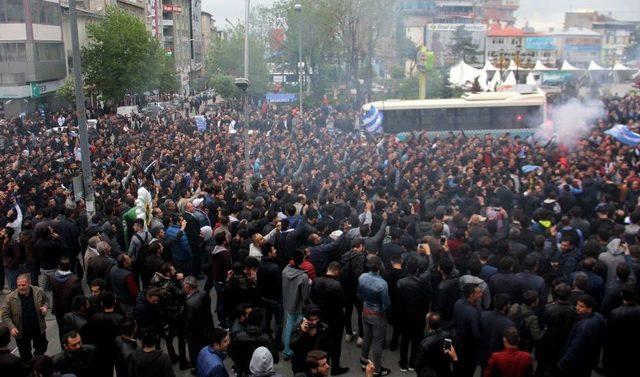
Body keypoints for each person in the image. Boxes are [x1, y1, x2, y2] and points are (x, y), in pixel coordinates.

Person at [310, 261, 349, 375]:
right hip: (336, 319)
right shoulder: (336, 285)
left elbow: (312, 296)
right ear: (336, 271)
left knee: (323, 343)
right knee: (336, 344)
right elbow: (344, 302)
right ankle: (335, 367)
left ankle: (323, 366)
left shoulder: (316, 280)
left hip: (321, 317)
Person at [1, 273, 49, 361]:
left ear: (29, 283)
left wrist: (45, 307)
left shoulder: (38, 291)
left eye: (23, 285)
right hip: (21, 331)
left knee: (42, 348)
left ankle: (37, 363)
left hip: (38, 328)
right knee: (25, 354)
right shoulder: (10, 298)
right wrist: (12, 327)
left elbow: (46, 301)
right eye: (18, 285)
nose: (20, 287)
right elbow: (5, 315)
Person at [397, 255, 432, 372]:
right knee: (417, 341)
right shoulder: (423, 282)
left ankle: (403, 363)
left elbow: (398, 301)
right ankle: (412, 363)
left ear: (407, 268)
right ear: (417, 269)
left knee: (405, 340)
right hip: (419, 316)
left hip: (405, 315)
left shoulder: (401, 282)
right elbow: (428, 298)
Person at [358, 254, 391, 376]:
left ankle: (363, 362)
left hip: (365, 311)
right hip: (378, 316)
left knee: (367, 338)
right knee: (377, 343)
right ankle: (377, 369)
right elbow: (386, 304)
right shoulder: (382, 284)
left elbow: (359, 295)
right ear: (380, 266)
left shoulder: (362, 277)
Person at [557, 294, 605, 377]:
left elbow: (574, 347)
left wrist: (562, 363)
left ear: (589, 309)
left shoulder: (583, 326)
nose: (576, 307)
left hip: (579, 362)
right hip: (590, 358)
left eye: (581, 306)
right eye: (577, 304)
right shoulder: (599, 317)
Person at [230, 308, 279, 377]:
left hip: (243, 370)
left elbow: (232, 354)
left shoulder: (239, 337)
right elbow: (276, 359)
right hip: (261, 372)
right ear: (261, 321)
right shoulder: (267, 339)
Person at [86, 291, 123, 377]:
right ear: (114, 302)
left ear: (102, 303)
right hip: (116, 349)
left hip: (101, 350)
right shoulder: (119, 318)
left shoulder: (95, 317)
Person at [282, 249, 311, 360]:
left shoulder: (285, 271)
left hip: (288, 302)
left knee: (288, 326)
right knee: (299, 329)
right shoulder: (303, 277)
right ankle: (297, 350)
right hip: (299, 305)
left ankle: (286, 351)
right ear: (303, 259)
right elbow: (305, 295)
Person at [184, 275, 215, 373]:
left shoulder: (190, 303)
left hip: (195, 334)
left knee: (195, 353)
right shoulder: (205, 294)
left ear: (188, 287)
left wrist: (187, 336)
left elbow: (189, 322)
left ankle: (198, 369)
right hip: (207, 328)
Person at [48, 257, 83, 344]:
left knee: (61, 330)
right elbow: (79, 296)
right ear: (70, 266)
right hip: (70, 310)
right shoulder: (74, 280)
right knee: (72, 331)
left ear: (59, 266)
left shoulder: (52, 277)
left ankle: (64, 346)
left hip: (58, 309)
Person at [414, 313, 457, 377]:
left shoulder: (425, 342)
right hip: (444, 372)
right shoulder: (448, 337)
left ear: (428, 325)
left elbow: (418, 365)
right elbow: (448, 355)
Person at [290, 304, 330, 374]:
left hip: (318, 367)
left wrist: (325, 364)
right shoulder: (298, 328)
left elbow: (327, 349)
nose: (314, 322)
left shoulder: (323, 328)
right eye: (311, 320)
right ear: (305, 319)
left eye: (316, 319)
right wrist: (301, 332)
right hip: (302, 367)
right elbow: (293, 347)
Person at [453, 283, 482, 377]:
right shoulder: (474, 312)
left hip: (457, 343)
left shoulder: (458, 303)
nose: (481, 294)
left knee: (456, 369)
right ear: (471, 295)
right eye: (478, 293)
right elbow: (476, 334)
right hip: (468, 348)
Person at [478, 294, 514, 369]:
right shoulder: (509, 324)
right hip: (497, 358)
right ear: (505, 307)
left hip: (483, 355)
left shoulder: (483, 315)